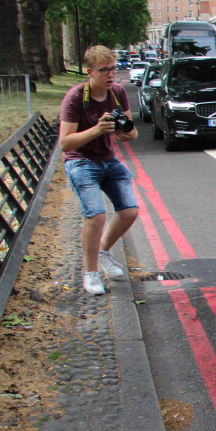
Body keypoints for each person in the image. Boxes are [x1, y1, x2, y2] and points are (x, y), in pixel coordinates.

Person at [58, 45, 139, 296]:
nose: (110, 74)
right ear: (90, 72)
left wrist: (123, 132)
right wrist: (96, 129)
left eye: (113, 69)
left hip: (108, 159)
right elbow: (65, 142)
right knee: (96, 215)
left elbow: (132, 133)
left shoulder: (117, 93)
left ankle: (103, 251)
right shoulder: (75, 97)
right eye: (104, 70)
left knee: (130, 211)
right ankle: (91, 273)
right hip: (80, 161)